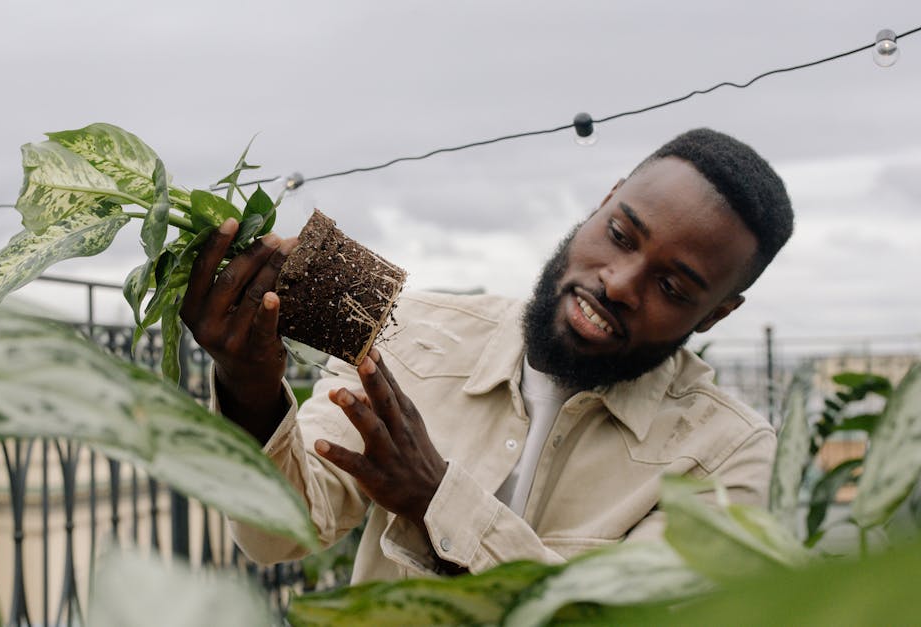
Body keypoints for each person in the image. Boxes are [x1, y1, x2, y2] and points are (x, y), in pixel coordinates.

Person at [180, 128, 794, 582]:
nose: (619, 283)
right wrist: (250, 390)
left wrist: (436, 502)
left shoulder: (722, 455)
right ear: (602, 204)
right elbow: (277, 533)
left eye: (672, 288)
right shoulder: (409, 334)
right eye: (620, 234)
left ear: (716, 314)